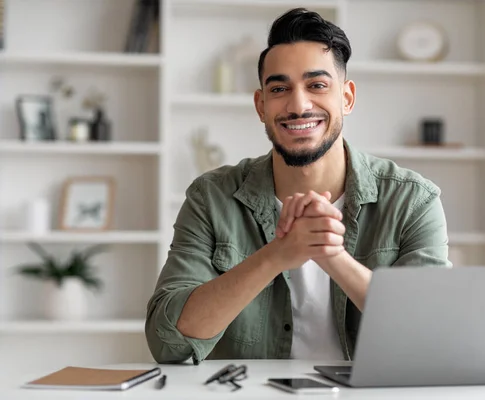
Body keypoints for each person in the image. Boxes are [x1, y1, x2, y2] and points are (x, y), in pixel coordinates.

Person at [145, 7, 452, 365]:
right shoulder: (211, 197)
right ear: (261, 105)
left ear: (347, 98)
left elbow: (432, 336)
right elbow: (168, 342)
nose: (298, 104)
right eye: (279, 88)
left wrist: (330, 255)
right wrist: (277, 255)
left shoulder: (413, 200)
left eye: (317, 85)